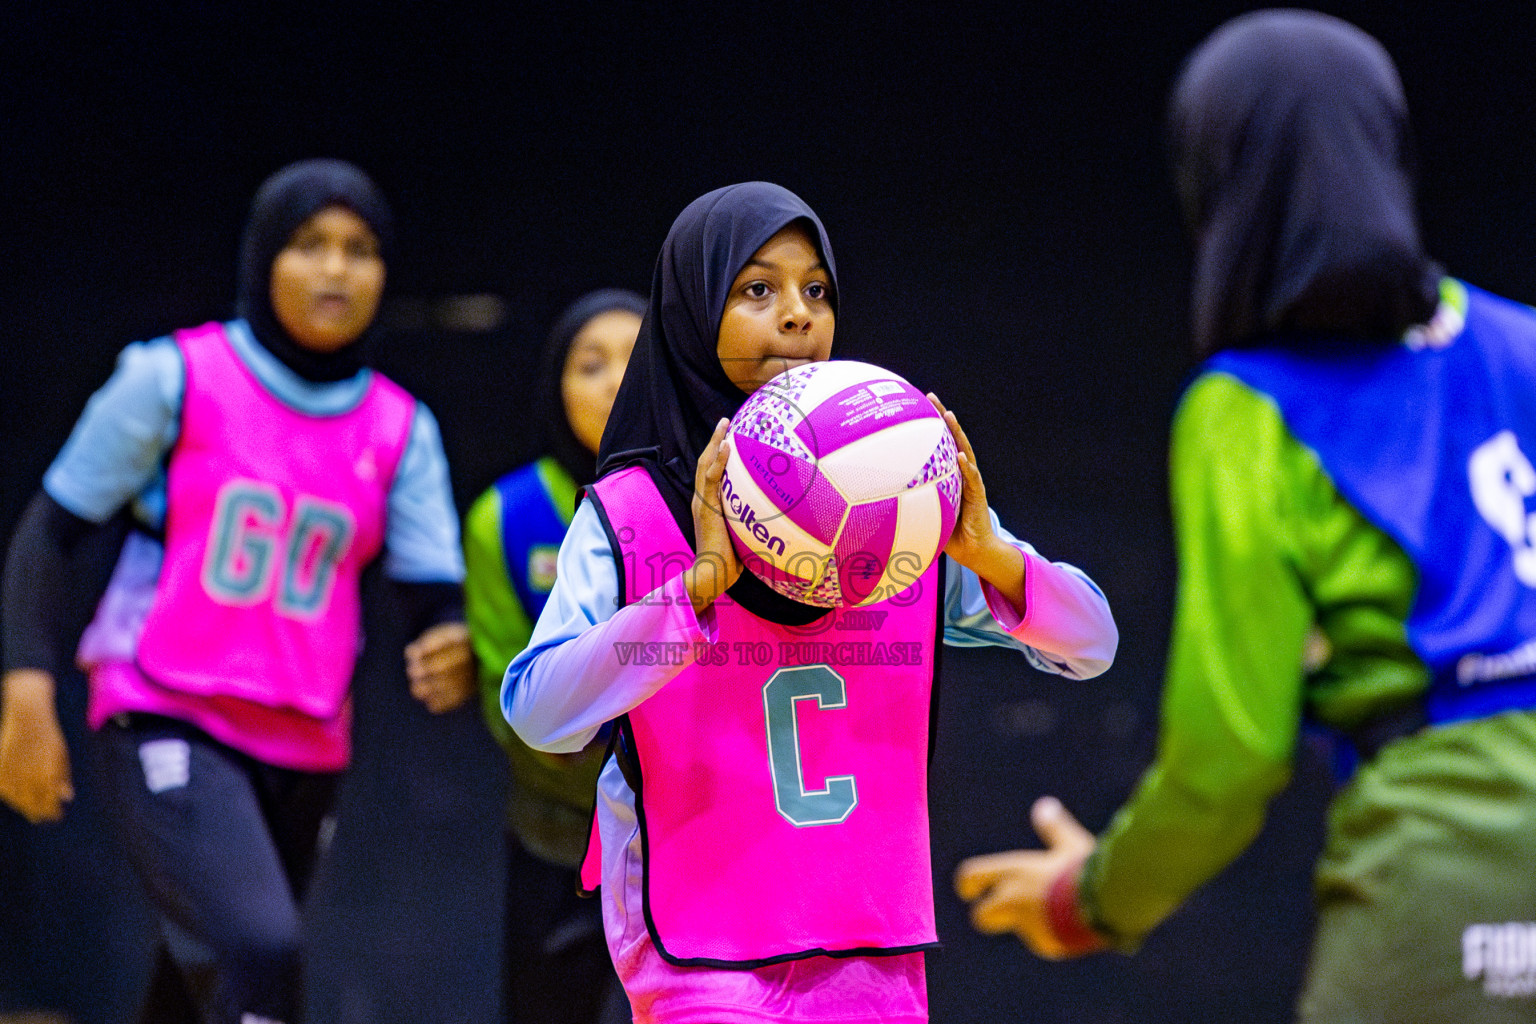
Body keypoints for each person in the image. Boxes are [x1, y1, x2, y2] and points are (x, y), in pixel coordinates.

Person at [953, 10, 1536, 1021]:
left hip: (1450, 867)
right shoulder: (1524, 340)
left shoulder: (1249, 406)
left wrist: (1093, 896)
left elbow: (1229, 753)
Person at [502, 181, 1119, 1024]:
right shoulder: (633, 514)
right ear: (690, 311)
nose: (797, 315)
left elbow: (1092, 643)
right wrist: (689, 596)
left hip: (868, 947)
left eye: (815, 290)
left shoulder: (900, 500)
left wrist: (992, 556)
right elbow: (539, 715)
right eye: (758, 289)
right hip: (697, 956)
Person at [0, 158, 475, 1024]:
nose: (335, 268)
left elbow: (432, 596)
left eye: (359, 249)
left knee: (194, 991)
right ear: (263, 258)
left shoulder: (401, 427)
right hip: (166, 708)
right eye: (309, 244)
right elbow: (53, 530)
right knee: (258, 954)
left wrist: (450, 644)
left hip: (306, 743)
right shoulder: (174, 378)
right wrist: (24, 686)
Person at [463, 288, 644, 1023]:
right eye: (589, 364)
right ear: (556, 386)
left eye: (635, 361)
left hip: (691, 845)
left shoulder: (716, 499)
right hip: (557, 840)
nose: (611, 383)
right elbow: (503, 678)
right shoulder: (504, 515)